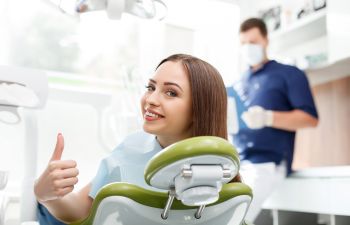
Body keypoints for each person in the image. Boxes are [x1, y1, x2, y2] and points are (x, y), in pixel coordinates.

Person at [34, 54, 241, 224]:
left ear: (200, 108)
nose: (150, 100)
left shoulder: (221, 171)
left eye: (170, 92)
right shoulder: (131, 149)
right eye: (151, 88)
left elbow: (81, 213)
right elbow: (82, 210)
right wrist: (46, 194)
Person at [227, 18, 319, 222]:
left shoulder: (289, 74)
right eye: (243, 44)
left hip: (268, 163)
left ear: (266, 40)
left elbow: (310, 119)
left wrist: (268, 117)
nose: (248, 48)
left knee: (235, 216)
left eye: (253, 42)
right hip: (238, 162)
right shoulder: (239, 82)